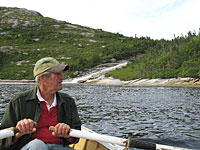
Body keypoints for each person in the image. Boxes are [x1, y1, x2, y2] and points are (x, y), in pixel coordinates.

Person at [0, 57, 81, 150]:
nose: (62, 77)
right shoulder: (18, 101)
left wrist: (67, 134)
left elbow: (76, 137)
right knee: (38, 145)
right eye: (57, 74)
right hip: (31, 147)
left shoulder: (68, 101)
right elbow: (3, 141)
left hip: (59, 147)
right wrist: (19, 133)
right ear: (43, 77)